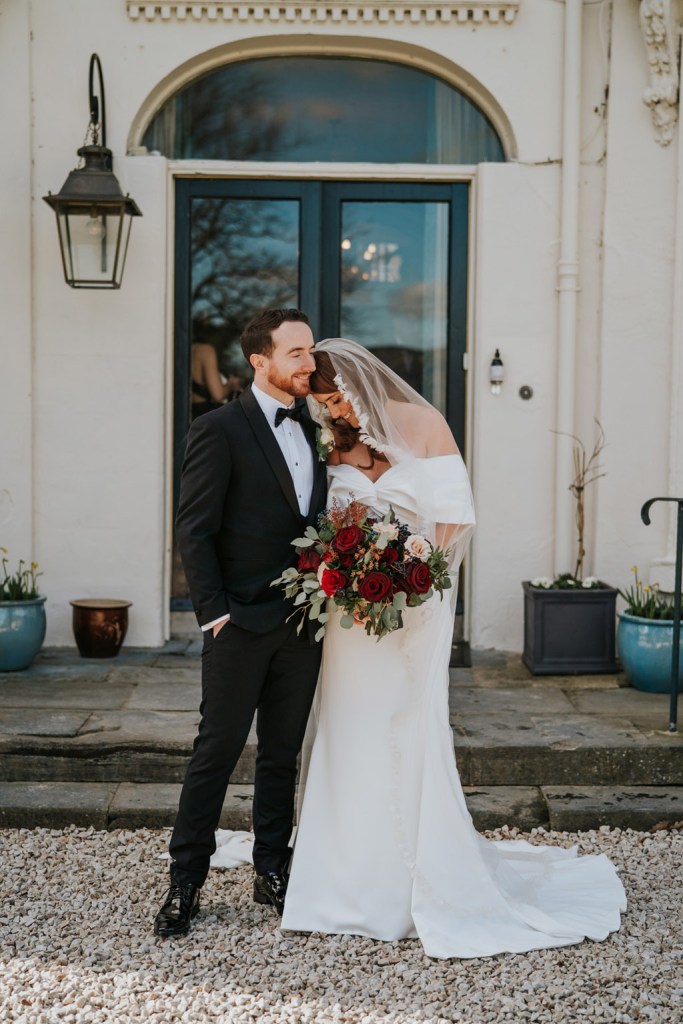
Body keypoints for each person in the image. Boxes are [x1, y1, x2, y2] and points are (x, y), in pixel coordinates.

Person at [279, 339, 627, 959]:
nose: (335, 411)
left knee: (405, 727)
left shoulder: (423, 424)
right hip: (348, 619)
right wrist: (343, 569)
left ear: (360, 384)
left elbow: (454, 520)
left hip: (414, 609)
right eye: (325, 403)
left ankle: (413, 873)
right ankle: (337, 879)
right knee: (347, 725)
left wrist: (416, 576)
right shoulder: (328, 441)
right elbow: (321, 528)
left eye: (338, 398)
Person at [154, 308, 328, 939]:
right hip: (238, 623)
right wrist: (214, 615)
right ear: (261, 361)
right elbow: (193, 529)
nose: (310, 363)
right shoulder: (219, 428)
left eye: (310, 351)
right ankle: (184, 883)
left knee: (281, 757)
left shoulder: (315, 427)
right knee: (216, 753)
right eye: (297, 354)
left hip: (303, 624)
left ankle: (272, 871)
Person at [190, 341, 229, 420]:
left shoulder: (177, 347)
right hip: (201, 415)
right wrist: (231, 386)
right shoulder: (205, 350)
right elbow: (218, 395)